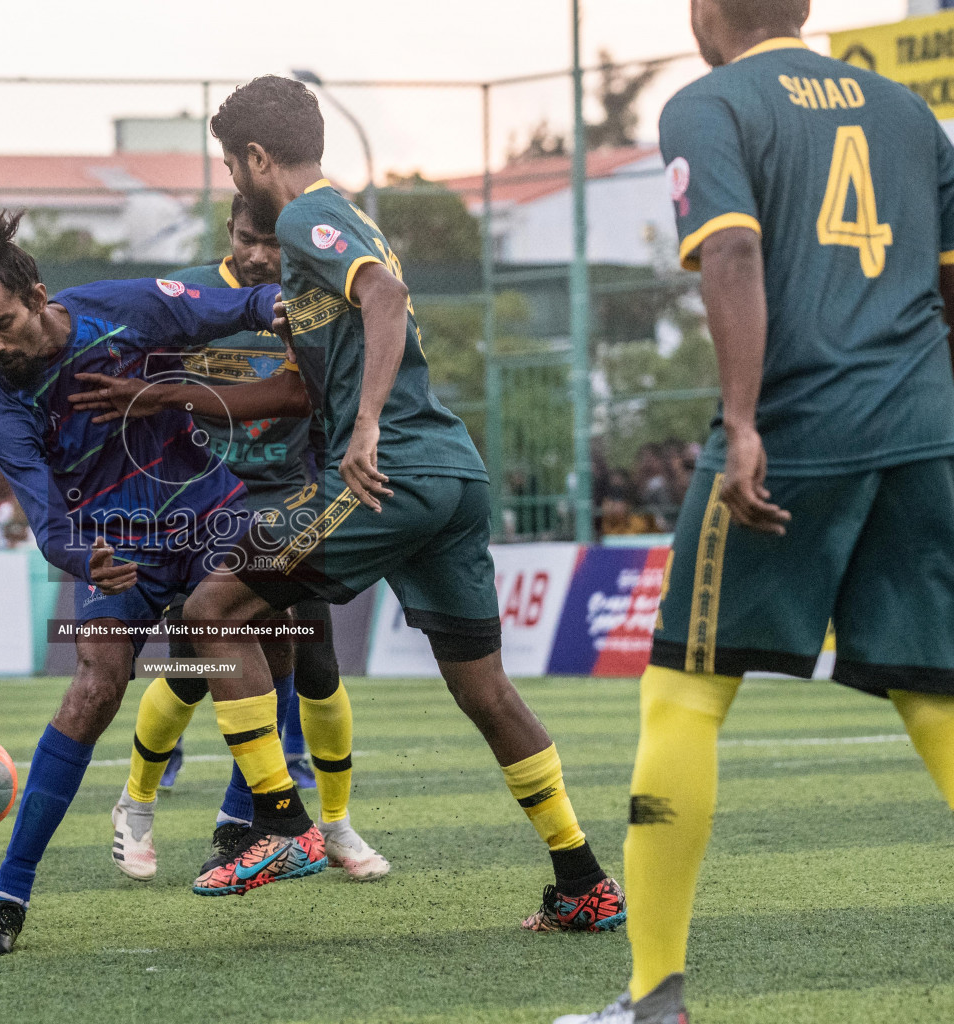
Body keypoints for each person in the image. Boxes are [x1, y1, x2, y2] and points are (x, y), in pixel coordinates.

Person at [75, 75, 624, 930]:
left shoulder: (302, 215)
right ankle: (581, 878)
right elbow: (299, 389)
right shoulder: (333, 230)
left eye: (231, 165)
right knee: (487, 693)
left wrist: (365, 426)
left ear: (259, 158)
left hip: (386, 475)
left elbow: (388, 297)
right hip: (451, 477)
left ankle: (282, 826)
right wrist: (162, 397)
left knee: (213, 607)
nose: (233, 182)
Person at [556, 3, 954, 1022]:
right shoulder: (909, 114)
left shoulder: (711, 103)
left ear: (702, 13)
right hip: (923, 428)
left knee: (685, 691)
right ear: (807, 8)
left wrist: (739, 424)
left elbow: (730, 255)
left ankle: (654, 999)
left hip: (794, 430)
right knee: (936, 693)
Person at [0, 208, 324, 956]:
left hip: (206, 512)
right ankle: (7, 897)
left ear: (36, 293)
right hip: (114, 546)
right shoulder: (8, 408)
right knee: (94, 688)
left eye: (1, 324)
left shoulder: (120, 308)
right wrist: (85, 559)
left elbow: (234, 306)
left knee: (270, 627)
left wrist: (278, 306)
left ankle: (248, 821)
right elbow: (49, 523)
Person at [89, 193, 387, 885]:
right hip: (198, 506)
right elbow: (140, 386)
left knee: (315, 665)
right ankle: (135, 806)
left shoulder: (309, 304)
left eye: (274, 245)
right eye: (249, 239)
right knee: (196, 667)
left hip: (289, 497)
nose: (261, 256)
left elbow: (300, 399)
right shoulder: (186, 295)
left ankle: (330, 823)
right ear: (229, 232)